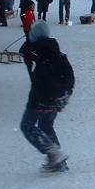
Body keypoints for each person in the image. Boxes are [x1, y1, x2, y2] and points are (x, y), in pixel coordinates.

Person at [19, 21, 74, 172]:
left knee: (27, 126)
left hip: (40, 98)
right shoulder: (57, 53)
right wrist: (66, 93)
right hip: (56, 99)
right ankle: (58, 161)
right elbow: (69, 75)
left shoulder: (35, 53)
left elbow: (24, 52)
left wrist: (28, 38)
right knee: (46, 125)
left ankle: (53, 153)